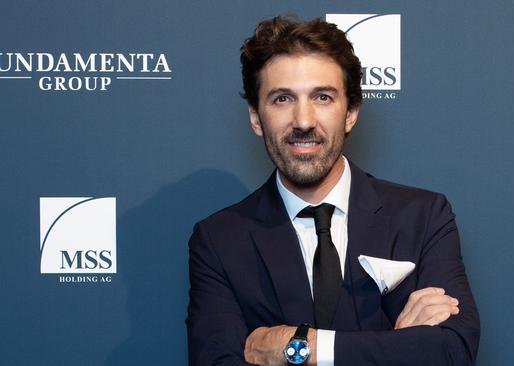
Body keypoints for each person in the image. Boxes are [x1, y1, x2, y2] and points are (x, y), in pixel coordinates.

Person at [186, 16, 480, 366]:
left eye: (322, 97)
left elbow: (450, 353)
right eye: (282, 99)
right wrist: (396, 345)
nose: (304, 120)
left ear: (351, 112)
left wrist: (301, 347)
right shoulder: (219, 240)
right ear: (255, 116)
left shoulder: (423, 217)